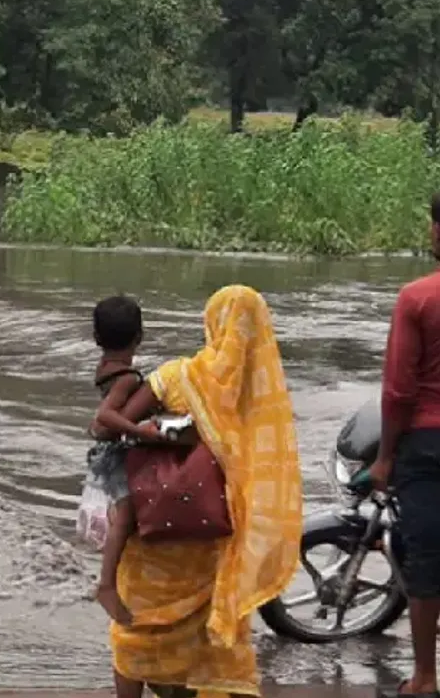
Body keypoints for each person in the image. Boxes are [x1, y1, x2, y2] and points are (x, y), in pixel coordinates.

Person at [101, 285, 301, 698]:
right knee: (208, 637)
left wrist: (163, 437)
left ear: (212, 325)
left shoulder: (179, 376)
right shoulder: (262, 398)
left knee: (137, 627)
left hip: (160, 528)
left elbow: (109, 427)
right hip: (218, 532)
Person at [371, 193, 440, 698]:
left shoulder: (417, 298)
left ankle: (424, 676)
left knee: (425, 557)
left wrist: (385, 456)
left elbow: (398, 390)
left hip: (427, 443)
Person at [80, 296, 164, 626]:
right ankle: (106, 584)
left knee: (121, 510)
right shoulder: (128, 377)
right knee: (125, 516)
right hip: (115, 456)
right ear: (140, 337)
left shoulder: (105, 368)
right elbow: (105, 417)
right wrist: (142, 432)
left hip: (107, 455)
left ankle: (115, 575)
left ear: (96, 338)